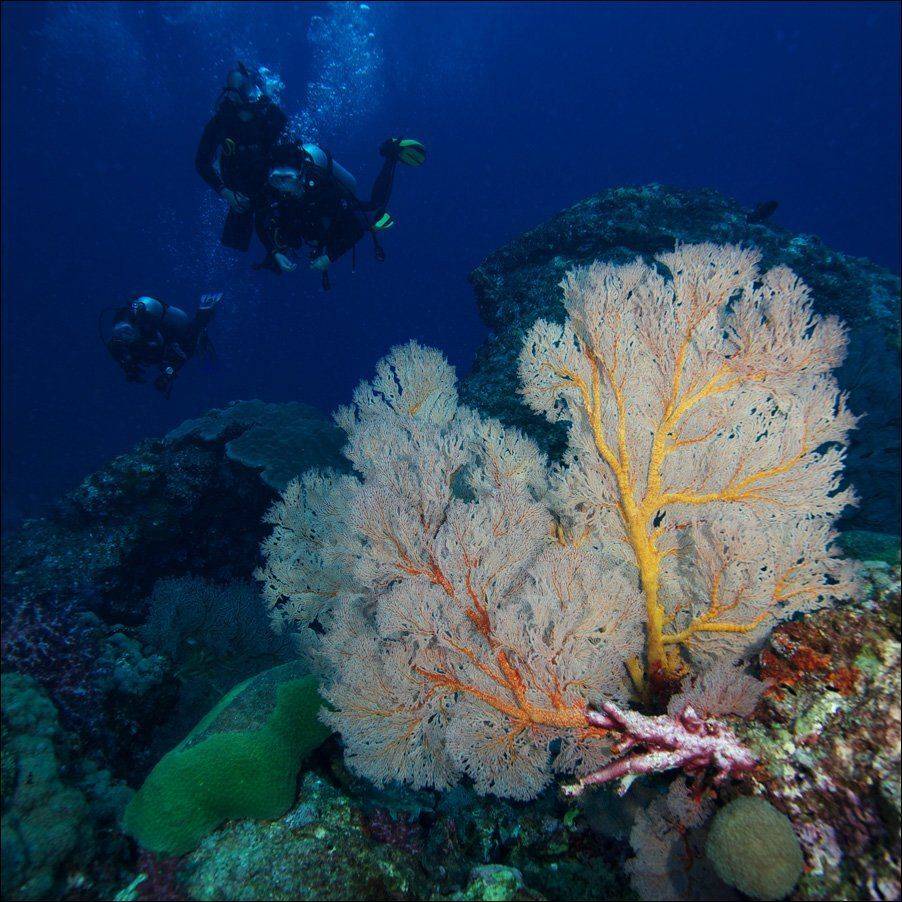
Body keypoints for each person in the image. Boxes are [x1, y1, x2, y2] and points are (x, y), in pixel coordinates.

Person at [253, 137, 426, 287]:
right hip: (307, 220)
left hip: (330, 209)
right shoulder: (272, 191)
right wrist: (275, 253)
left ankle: (392, 153)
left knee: (374, 211)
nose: (282, 186)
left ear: (300, 175)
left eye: (288, 179)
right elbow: (260, 219)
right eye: (277, 180)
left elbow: (355, 229)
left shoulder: (321, 189)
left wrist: (329, 257)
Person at [196, 63, 288, 251]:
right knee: (235, 244)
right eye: (232, 91)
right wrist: (226, 193)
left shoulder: (270, 115)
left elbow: (287, 153)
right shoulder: (220, 123)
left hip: (269, 189)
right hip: (238, 194)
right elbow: (202, 162)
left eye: (243, 90)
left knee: (284, 244)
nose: (235, 96)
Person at [105, 293, 222, 397]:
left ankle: (204, 311)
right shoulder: (119, 344)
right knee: (189, 340)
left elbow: (174, 358)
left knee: (189, 343)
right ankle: (204, 311)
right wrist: (130, 368)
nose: (123, 337)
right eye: (119, 334)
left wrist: (166, 375)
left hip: (166, 338)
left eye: (125, 332)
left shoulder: (151, 337)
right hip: (158, 338)